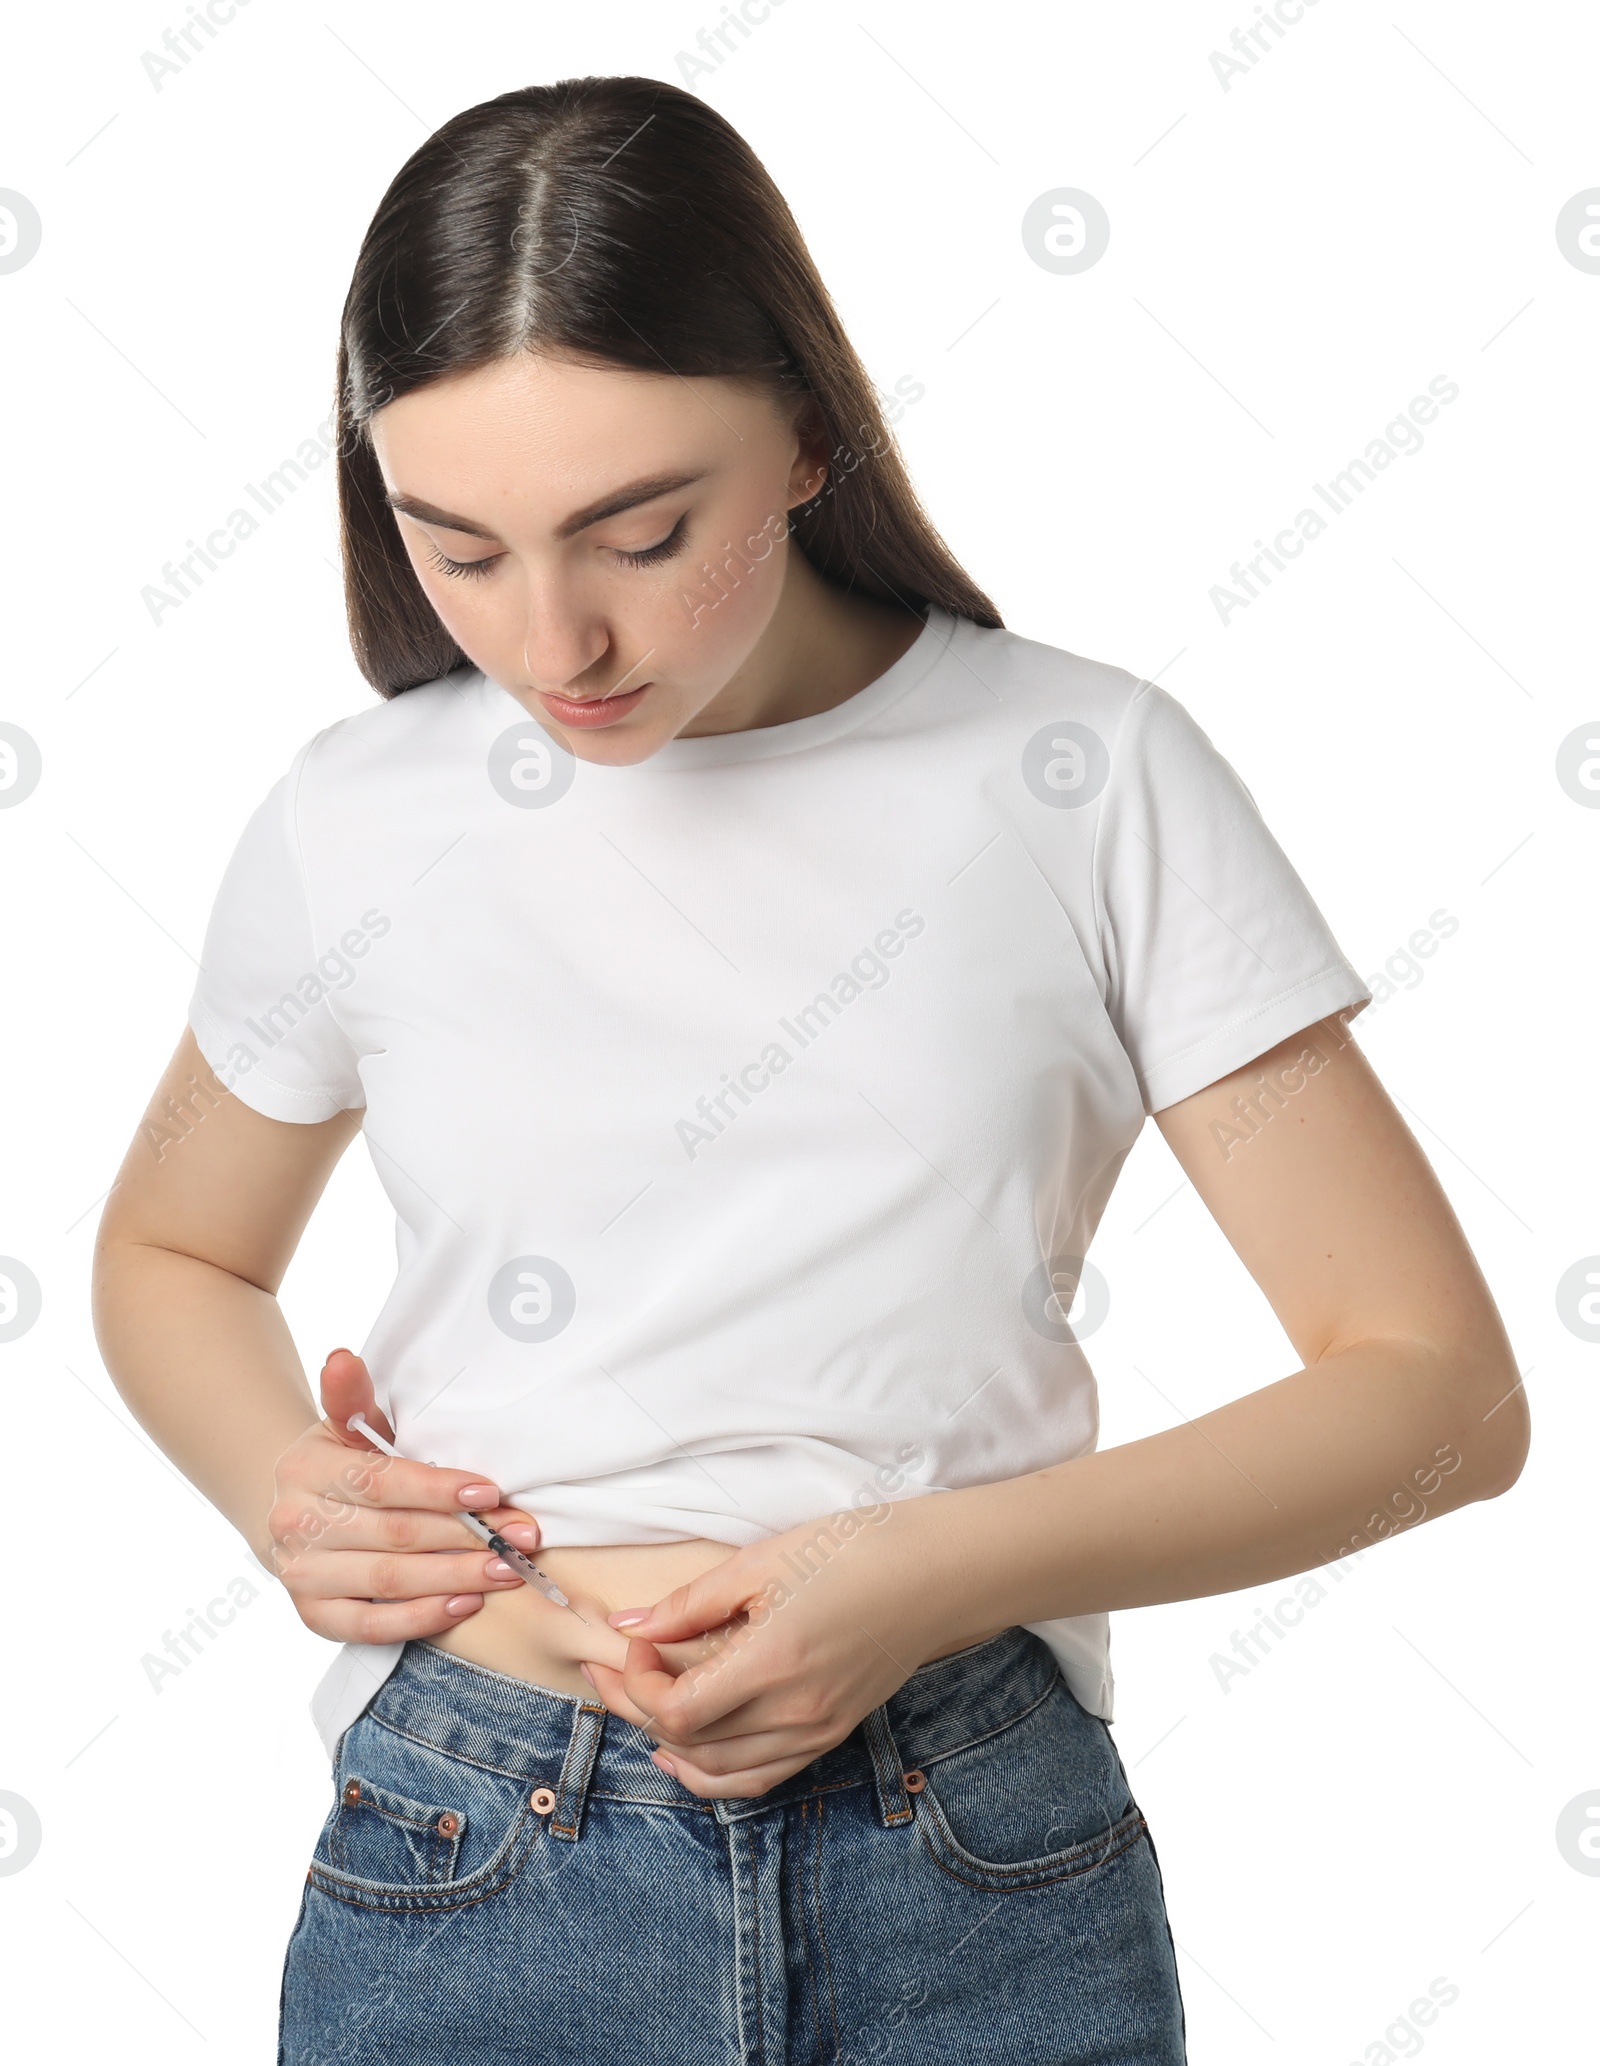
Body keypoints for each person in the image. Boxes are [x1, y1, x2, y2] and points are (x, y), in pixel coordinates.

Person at [91, 74, 1528, 2066]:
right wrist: (281, 1486)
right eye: (458, 549)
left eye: (638, 530)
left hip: (971, 1854)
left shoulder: (1082, 776)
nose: (554, 637)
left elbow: (1434, 1392)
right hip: (468, 1837)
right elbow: (175, 1248)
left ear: (807, 434)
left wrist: (923, 1570)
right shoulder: (356, 818)